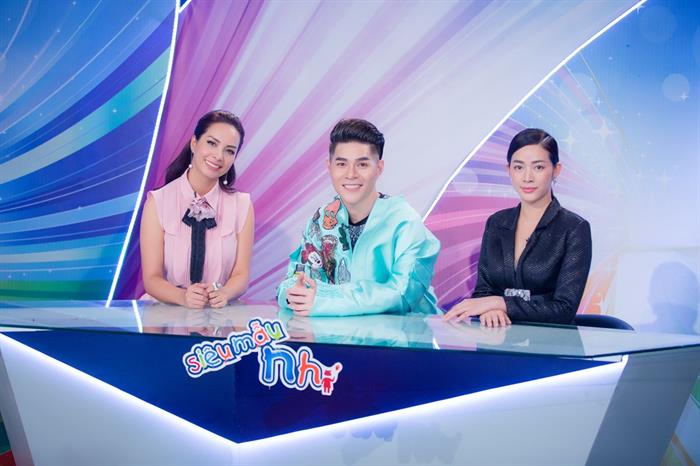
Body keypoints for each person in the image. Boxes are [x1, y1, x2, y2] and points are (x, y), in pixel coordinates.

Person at [277, 118, 440, 316]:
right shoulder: (322, 220)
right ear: (329, 167)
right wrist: (294, 294)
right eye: (341, 164)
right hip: (339, 332)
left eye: (362, 164)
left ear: (378, 168)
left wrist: (326, 300)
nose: (351, 174)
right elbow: (294, 279)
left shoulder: (404, 222)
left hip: (408, 332)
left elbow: (403, 294)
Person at [443, 128, 592, 327]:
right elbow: (483, 292)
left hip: (550, 341)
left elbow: (564, 309)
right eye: (519, 167)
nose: (527, 177)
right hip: (496, 337)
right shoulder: (496, 223)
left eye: (538, 167)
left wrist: (500, 303)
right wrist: (492, 309)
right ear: (509, 170)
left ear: (556, 170)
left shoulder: (574, 228)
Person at [140, 110, 254, 309]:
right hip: (167, 313)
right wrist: (182, 297)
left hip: (220, 314)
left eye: (229, 151)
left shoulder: (242, 205)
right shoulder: (158, 201)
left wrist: (224, 293)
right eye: (212, 143)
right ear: (194, 143)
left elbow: (241, 275)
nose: (218, 156)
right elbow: (152, 279)